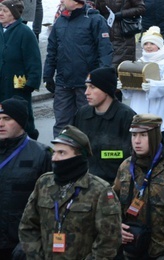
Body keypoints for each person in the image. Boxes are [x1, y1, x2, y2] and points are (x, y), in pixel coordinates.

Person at [19, 125, 121, 258]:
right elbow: (27, 226)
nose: (54, 158)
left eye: (62, 153)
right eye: (54, 152)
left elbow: (109, 240)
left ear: (79, 156)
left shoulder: (99, 190)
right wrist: (36, 256)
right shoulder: (44, 183)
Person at [113, 114, 164, 259]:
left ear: (154, 136)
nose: (137, 141)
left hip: (160, 253)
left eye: (143, 135)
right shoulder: (126, 167)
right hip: (128, 252)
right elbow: (111, 206)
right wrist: (115, 227)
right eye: (134, 135)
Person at [45, 0, 113, 136]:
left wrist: (101, 78)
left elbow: (105, 50)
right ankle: (62, 156)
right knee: (62, 124)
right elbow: (52, 50)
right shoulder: (60, 21)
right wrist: (47, 75)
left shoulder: (94, 20)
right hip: (63, 83)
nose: (61, 0)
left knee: (88, 124)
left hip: (87, 84)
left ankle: (89, 158)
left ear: (75, 0)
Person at [0, 97, 51, 258]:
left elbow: (50, 203)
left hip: (21, 242)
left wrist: (35, 241)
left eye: (7, 119)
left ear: (21, 121)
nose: (0, 123)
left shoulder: (41, 154)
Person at [73, 66, 136, 184]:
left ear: (106, 90)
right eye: (86, 87)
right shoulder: (82, 114)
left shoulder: (126, 116)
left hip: (115, 185)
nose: (86, 92)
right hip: (84, 184)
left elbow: (135, 158)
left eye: (92, 87)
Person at [0, 0, 41, 137]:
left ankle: (28, 140)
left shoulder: (25, 33)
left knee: (19, 116)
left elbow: (34, 60)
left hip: (17, 87)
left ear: (14, 13)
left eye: (5, 10)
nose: (0, 13)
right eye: (0, 10)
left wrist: (31, 84)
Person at [94, 0, 145, 67]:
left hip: (123, 35)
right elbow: (97, 9)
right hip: (106, 33)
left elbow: (141, 8)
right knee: (105, 67)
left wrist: (122, 14)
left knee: (119, 69)